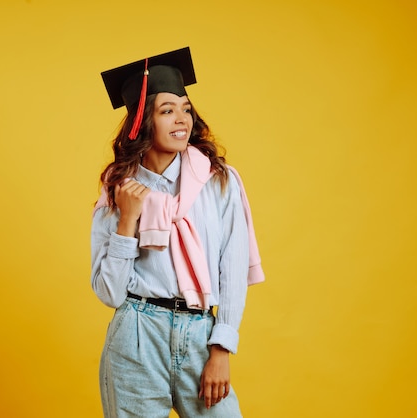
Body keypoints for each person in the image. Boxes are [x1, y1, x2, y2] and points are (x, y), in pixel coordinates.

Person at [91, 47, 264, 418]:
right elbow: (109, 293)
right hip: (136, 336)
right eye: (167, 110)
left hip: (201, 334)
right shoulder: (116, 189)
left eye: (186, 108)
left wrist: (221, 348)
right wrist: (127, 222)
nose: (181, 119)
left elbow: (231, 270)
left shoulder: (219, 181)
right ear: (141, 123)